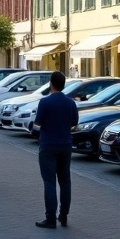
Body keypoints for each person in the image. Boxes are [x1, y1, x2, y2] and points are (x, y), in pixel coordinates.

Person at [33, 71, 79, 229]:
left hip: (48, 145)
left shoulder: (45, 102)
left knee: (49, 182)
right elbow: (74, 123)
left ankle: (50, 218)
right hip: (65, 144)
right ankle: (64, 215)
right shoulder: (70, 103)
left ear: (51, 84)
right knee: (65, 181)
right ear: (63, 84)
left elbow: (37, 122)